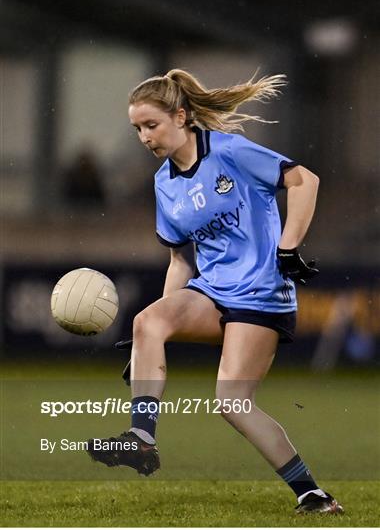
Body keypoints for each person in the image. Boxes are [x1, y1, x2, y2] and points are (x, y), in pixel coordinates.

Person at [87, 69, 343, 514]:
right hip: (213, 291)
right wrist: (153, 342)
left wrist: (287, 249)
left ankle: (312, 494)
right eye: (137, 129)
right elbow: (180, 262)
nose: (145, 137)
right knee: (147, 320)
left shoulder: (229, 152)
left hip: (261, 295)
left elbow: (306, 181)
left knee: (232, 404)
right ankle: (141, 438)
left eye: (152, 125)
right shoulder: (164, 183)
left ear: (182, 117)